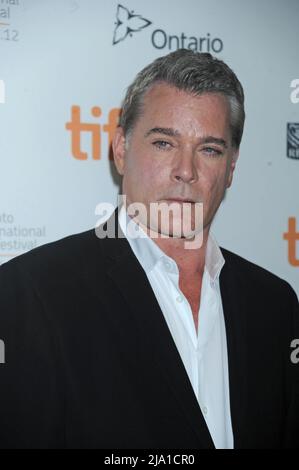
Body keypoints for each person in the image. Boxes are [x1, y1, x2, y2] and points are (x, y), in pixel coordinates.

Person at [0, 49, 298, 449]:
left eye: (209, 149)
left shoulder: (275, 304)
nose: (186, 171)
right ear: (121, 149)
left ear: (231, 168)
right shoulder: (31, 293)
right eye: (163, 143)